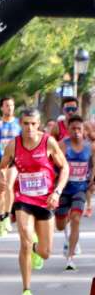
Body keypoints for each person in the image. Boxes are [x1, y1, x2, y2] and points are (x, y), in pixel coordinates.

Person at [0, 107, 69, 295]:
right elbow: (1, 166)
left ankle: (38, 248)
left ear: (39, 125)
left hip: (46, 200)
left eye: (33, 124)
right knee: (25, 240)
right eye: (26, 124)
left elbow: (64, 167)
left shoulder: (48, 142)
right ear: (21, 124)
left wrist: (57, 191)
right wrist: (1, 179)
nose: (29, 128)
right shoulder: (14, 145)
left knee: (46, 253)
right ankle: (26, 291)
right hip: (23, 199)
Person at [56, 114, 92, 271]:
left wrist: (92, 182)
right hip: (64, 189)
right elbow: (52, 165)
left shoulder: (90, 147)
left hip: (80, 188)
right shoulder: (62, 146)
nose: (76, 131)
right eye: (73, 129)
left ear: (83, 130)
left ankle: (70, 257)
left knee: (76, 218)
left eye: (79, 129)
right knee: (60, 224)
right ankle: (68, 237)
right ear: (68, 130)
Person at [0, 97, 22, 236]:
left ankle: (7, 215)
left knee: (8, 186)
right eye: (7, 105)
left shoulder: (19, 123)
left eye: (12, 105)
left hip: (13, 159)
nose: (10, 108)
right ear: (2, 108)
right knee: (0, 189)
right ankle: (1, 217)